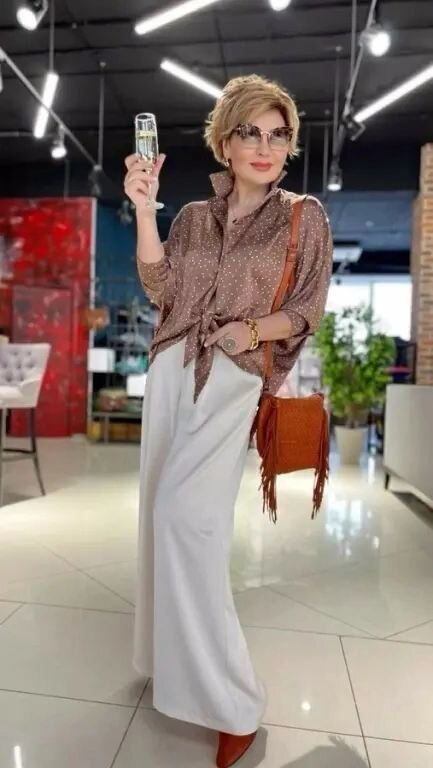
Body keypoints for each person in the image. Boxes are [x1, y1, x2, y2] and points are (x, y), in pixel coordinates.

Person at [124, 74, 333, 768]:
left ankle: (232, 703)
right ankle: (167, 663)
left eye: (278, 135)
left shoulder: (302, 216)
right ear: (225, 141)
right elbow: (160, 288)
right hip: (170, 369)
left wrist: (250, 330)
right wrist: (145, 210)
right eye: (250, 132)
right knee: (159, 518)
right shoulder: (190, 216)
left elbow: (307, 307)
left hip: (233, 377)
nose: (265, 147)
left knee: (188, 520)